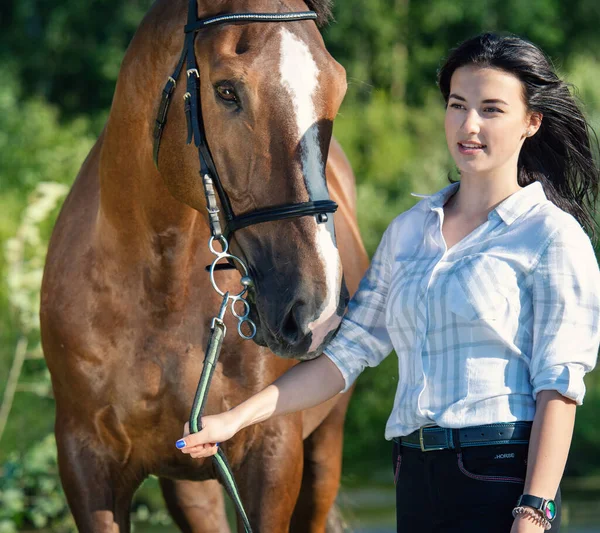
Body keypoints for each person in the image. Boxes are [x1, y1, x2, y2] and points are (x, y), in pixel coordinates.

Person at [175, 33, 600, 532]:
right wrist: (233, 420)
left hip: (500, 473)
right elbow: (343, 357)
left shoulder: (550, 235)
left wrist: (534, 510)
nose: (469, 126)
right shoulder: (409, 232)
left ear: (532, 121)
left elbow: (559, 387)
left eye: (491, 110)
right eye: (458, 105)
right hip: (414, 475)